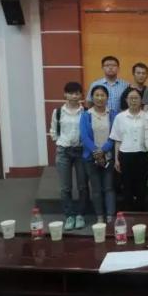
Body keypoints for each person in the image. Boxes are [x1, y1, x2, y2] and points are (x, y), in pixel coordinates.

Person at [50, 82, 87, 231]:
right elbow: (53, 131)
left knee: (83, 186)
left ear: (81, 95)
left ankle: (80, 215)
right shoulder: (58, 112)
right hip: (63, 151)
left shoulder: (85, 111)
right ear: (65, 94)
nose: (74, 96)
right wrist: (60, 142)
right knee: (65, 187)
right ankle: (69, 216)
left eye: (77, 93)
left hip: (81, 151)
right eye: (71, 93)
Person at [80, 85, 117, 224]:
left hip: (108, 157)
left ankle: (110, 216)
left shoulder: (112, 114)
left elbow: (114, 134)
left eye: (102, 95)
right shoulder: (86, 115)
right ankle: (100, 216)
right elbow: (84, 136)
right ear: (92, 97)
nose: (100, 98)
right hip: (91, 157)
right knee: (95, 189)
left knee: (109, 188)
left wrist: (104, 150)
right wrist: (96, 151)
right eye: (97, 95)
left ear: (107, 97)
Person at [110, 87, 148, 211]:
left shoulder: (147, 116)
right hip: (125, 155)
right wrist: (117, 159)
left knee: (142, 186)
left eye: (136, 98)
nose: (133, 101)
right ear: (126, 100)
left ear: (141, 100)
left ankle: (141, 214)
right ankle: (129, 214)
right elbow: (117, 140)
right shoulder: (120, 117)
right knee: (127, 186)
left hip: (143, 155)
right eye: (131, 98)